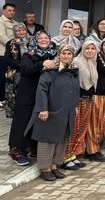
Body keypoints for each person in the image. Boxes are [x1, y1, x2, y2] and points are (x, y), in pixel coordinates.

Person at [28, 44, 79, 181]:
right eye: (64, 53)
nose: (66, 56)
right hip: (50, 110)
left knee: (61, 139)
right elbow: (41, 90)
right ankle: (45, 168)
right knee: (47, 139)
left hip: (66, 111)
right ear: (59, 54)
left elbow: (75, 91)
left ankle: (54, 165)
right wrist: (42, 108)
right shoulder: (50, 71)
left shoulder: (73, 71)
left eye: (69, 54)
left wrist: (75, 106)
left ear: (72, 56)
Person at [8, 30, 57, 166]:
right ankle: (18, 151)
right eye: (40, 38)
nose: (43, 40)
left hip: (45, 93)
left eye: (46, 38)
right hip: (28, 93)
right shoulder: (28, 54)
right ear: (35, 40)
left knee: (39, 120)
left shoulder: (54, 53)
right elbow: (26, 69)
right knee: (23, 120)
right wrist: (42, 64)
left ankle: (33, 147)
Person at [63, 41, 105, 171]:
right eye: (88, 48)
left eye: (93, 49)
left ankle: (74, 155)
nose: (90, 51)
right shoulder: (76, 62)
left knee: (82, 129)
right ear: (83, 49)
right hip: (77, 101)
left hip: (88, 100)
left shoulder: (93, 63)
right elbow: (71, 84)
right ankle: (66, 157)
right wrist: (73, 102)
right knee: (73, 129)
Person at [87, 38, 105, 159]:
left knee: (101, 123)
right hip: (96, 94)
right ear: (102, 46)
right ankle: (92, 151)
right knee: (94, 123)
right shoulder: (96, 57)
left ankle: (94, 148)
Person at [4, 23, 31, 119]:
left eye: (23, 30)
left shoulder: (31, 41)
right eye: (18, 31)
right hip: (16, 71)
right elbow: (7, 59)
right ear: (15, 32)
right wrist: (20, 66)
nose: (21, 32)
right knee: (16, 91)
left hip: (30, 70)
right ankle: (16, 112)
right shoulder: (10, 43)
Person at [1, 3, 18, 108]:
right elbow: (1, 36)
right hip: (3, 54)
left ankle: (7, 99)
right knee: (2, 77)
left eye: (13, 10)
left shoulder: (16, 23)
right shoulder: (0, 21)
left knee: (11, 77)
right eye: (9, 10)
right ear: (4, 11)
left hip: (14, 56)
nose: (11, 12)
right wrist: (14, 46)